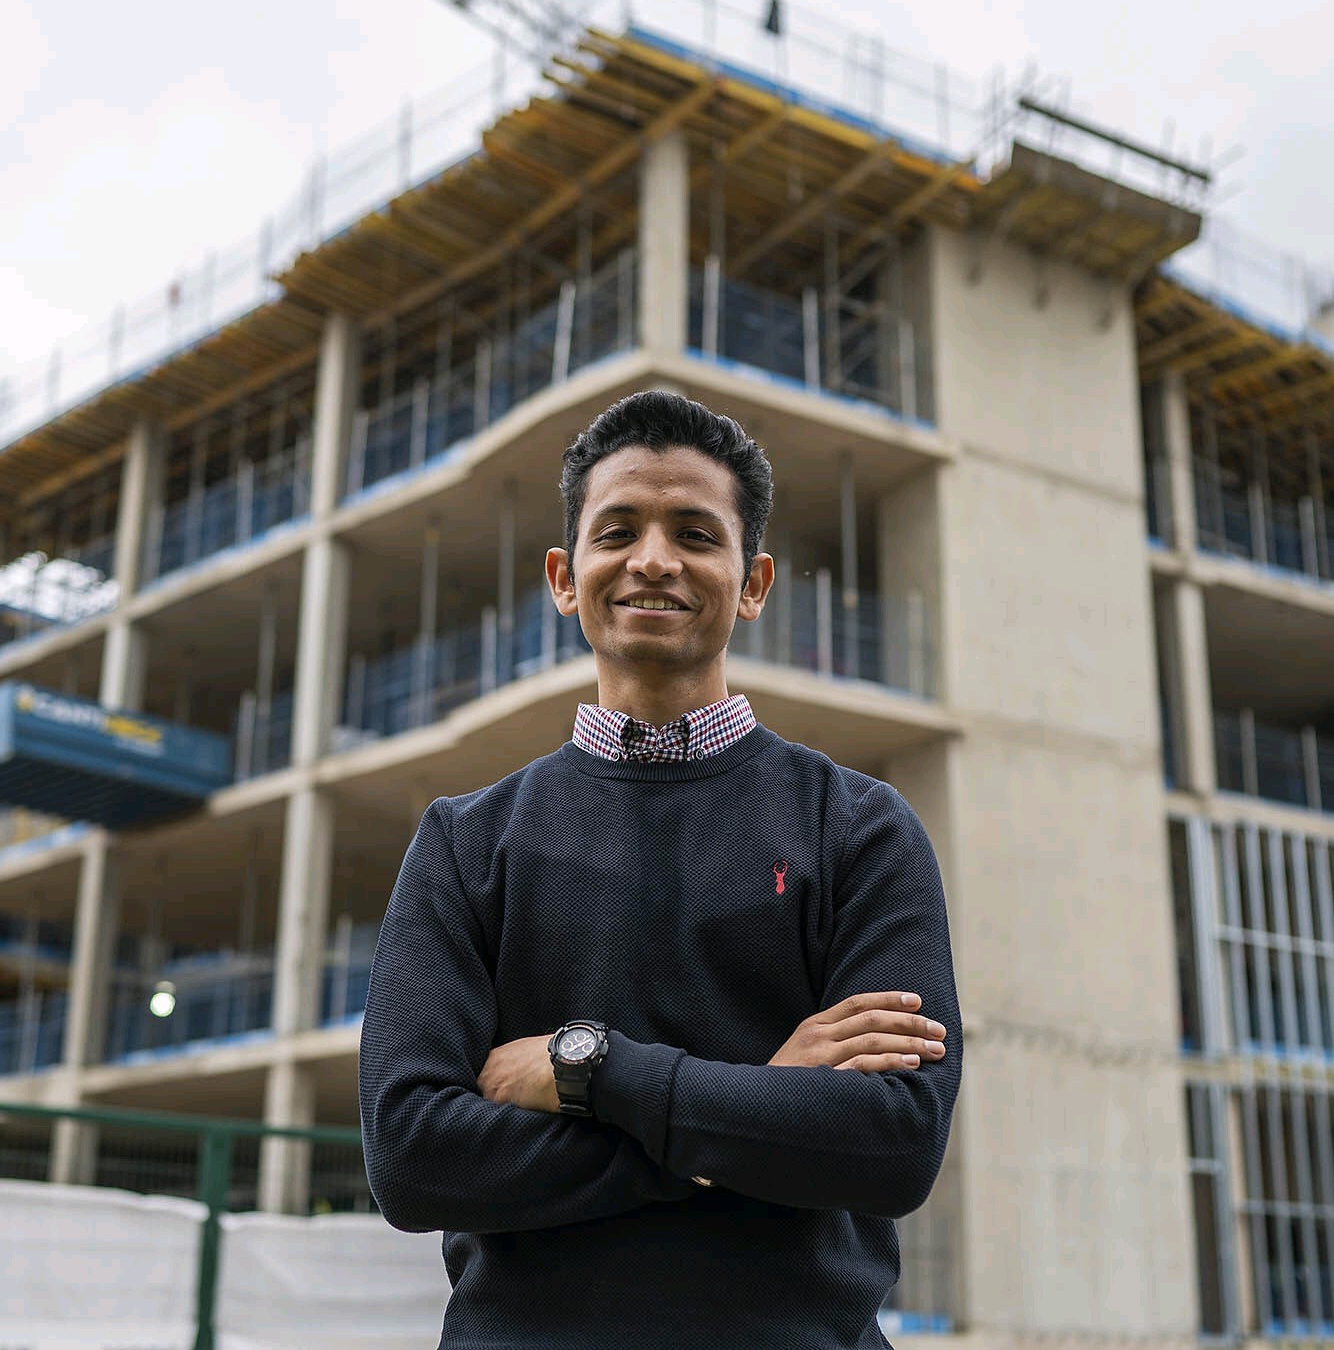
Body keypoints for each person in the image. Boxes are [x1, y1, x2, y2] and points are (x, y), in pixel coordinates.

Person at [358, 389, 962, 1347]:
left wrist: (593, 1067)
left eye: (694, 531)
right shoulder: (464, 841)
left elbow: (892, 1143)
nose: (652, 558)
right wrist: (754, 1102)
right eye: (618, 530)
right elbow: (413, 1159)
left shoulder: (858, 827)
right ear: (566, 575)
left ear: (753, 581)